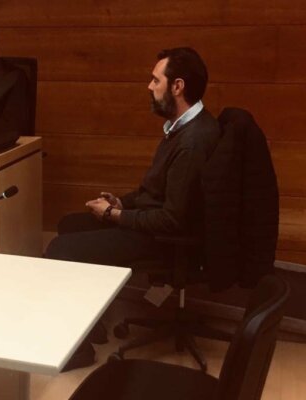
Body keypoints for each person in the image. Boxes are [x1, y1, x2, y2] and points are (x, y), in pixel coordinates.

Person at [46, 47, 221, 371]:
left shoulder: (193, 142)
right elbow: (155, 190)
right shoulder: (183, 127)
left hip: (166, 240)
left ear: (177, 86)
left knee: (60, 250)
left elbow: (172, 219)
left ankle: (78, 350)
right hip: (155, 224)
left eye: (156, 80)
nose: (149, 87)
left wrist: (114, 215)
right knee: (70, 224)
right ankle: (90, 325)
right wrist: (122, 203)